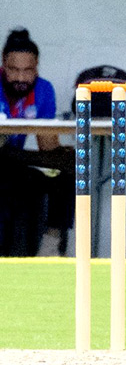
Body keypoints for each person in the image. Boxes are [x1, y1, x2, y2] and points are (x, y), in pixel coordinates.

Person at [0, 28, 75, 256]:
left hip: (16, 161)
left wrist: (62, 155)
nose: (21, 78)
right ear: (3, 65)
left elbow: (47, 148)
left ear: (37, 67)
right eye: (14, 70)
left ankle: (50, 246)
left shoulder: (43, 89)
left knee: (69, 171)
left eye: (28, 70)